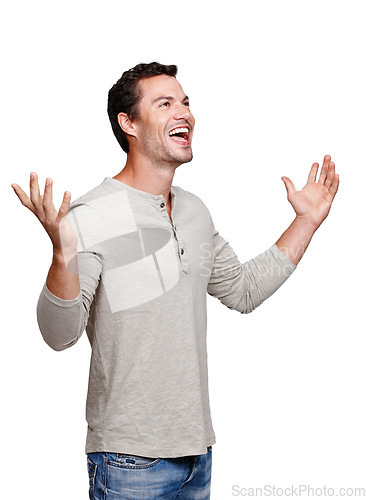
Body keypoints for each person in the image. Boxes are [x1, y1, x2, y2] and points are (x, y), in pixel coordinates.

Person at [11, 62, 339, 499]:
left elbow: (242, 291)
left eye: (185, 102)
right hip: (129, 461)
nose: (183, 112)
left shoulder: (194, 211)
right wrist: (62, 254)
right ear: (127, 123)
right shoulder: (91, 217)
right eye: (164, 103)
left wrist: (306, 223)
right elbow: (59, 335)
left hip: (197, 454)